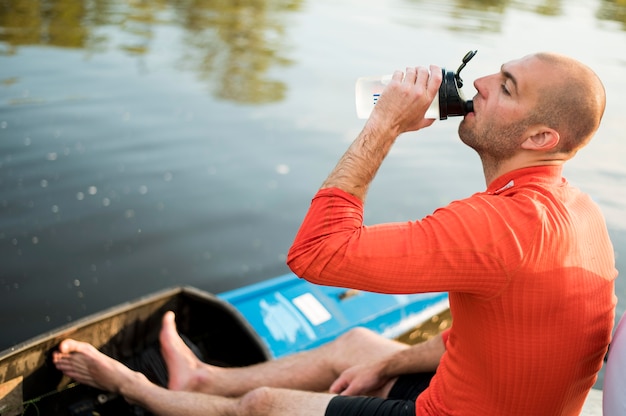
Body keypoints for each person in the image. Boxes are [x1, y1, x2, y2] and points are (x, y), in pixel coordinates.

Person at [53, 51, 616, 415]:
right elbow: (490, 341)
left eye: (507, 88)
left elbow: (317, 254)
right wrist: (387, 363)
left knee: (265, 404)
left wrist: (383, 125)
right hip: (504, 399)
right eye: (497, 70)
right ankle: (199, 378)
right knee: (355, 347)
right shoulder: (572, 206)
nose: (483, 82)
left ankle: (141, 392)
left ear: (541, 137)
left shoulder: (499, 226)